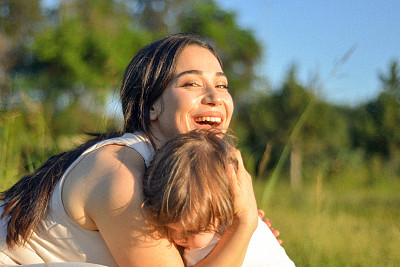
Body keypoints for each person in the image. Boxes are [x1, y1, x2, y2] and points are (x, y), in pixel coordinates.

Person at [0, 33, 278, 266]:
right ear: (151, 105)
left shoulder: (178, 174)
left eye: (221, 85)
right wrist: (243, 226)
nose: (215, 96)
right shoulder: (121, 174)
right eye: (192, 83)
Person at [142, 129, 295, 267]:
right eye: (170, 228)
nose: (178, 238)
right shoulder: (214, 223)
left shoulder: (215, 244)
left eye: (192, 231)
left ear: (223, 214)